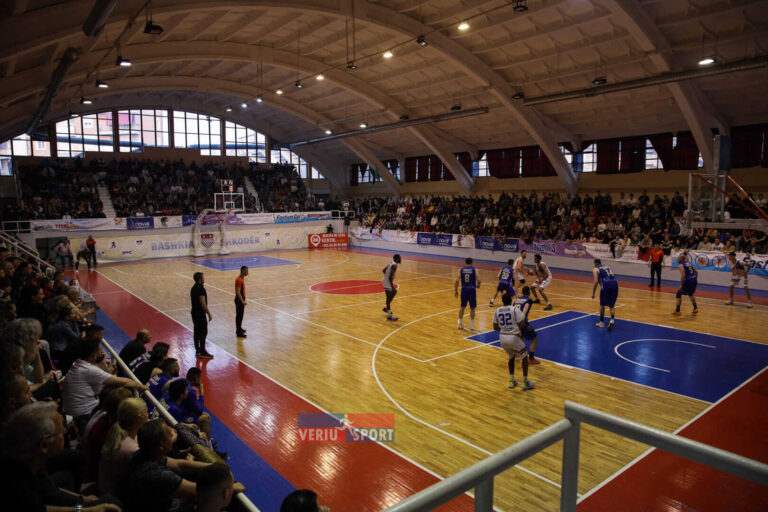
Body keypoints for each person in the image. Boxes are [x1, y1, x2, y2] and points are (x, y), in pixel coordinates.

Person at [1, 402, 122, 512]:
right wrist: (86, 509)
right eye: (62, 431)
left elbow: (50, 491)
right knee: (111, 503)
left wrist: (83, 499)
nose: (65, 431)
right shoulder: (16, 486)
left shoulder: (32, 460)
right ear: (44, 445)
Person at [116, 419, 210, 512]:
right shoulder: (158, 475)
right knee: (209, 499)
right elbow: (198, 492)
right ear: (162, 445)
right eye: (170, 434)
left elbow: (179, 465)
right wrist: (221, 475)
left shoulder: (145, 453)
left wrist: (211, 467)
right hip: (165, 508)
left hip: (140, 503)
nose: (173, 432)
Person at [62, 338, 147, 431]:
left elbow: (101, 374)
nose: (102, 353)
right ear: (94, 357)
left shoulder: (78, 363)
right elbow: (124, 381)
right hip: (85, 415)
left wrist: (103, 365)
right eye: (100, 350)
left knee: (110, 391)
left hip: (74, 410)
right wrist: (141, 386)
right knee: (119, 397)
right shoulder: (89, 370)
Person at [493, 293, 534, 390]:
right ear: (511, 300)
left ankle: (512, 380)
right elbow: (521, 323)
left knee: (511, 357)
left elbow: (495, 327)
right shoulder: (515, 309)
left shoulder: (497, 311)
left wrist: (505, 330)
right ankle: (525, 382)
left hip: (503, 338)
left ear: (503, 301)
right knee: (524, 357)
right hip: (513, 337)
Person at [513, 286, 541, 364]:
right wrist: (522, 322)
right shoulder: (528, 300)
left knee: (521, 337)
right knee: (534, 338)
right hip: (521, 323)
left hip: (514, 322)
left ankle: (517, 354)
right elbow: (524, 312)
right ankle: (531, 359)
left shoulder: (517, 300)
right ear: (529, 292)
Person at [191, 272, 213, 359]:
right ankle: (203, 352)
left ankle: (198, 350)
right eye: (203, 277)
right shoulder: (201, 289)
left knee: (196, 332)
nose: (204, 279)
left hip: (194, 313)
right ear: (200, 279)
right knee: (203, 333)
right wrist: (209, 313)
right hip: (200, 314)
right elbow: (203, 303)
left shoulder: (193, 288)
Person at [591, 259, 618, 330]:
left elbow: (596, 281)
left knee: (602, 305)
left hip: (606, 285)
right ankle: (612, 319)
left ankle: (602, 322)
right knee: (611, 305)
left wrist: (593, 293)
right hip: (615, 284)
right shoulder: (607, 266)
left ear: (595, 264)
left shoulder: (595, 269)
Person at [455, 257, 481, 330]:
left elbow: (456, 280)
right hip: (472, 290)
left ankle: (460, 324)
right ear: (472, 262)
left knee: (462, 307)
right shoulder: (475, 269)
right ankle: (471, 325)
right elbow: (479, 280)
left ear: (465, 262)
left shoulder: (461, 269)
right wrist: (478, 285)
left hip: (464, 290)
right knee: (472, 308)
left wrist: (456, 291)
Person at [382, 254, 401, 321]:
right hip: (387, 282)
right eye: (399, 258)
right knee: (390, 296)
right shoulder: (394, 265)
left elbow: (383, 270)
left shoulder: (391, 263)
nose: (400, 259)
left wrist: (386, 276)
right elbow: (390, 277)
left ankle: (387, 309)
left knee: (392, 294)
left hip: (386, 281)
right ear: (397, 259)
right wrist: (392, 286)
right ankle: (389, 316)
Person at [234, 266, 248, 338]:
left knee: (240, 316)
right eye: (246, 270)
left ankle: (239, 328)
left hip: (240, 300)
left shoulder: (241, 279)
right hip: (239, 301)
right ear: (243, 271)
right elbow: (238, 292)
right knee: (239, 316)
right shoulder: (239, 280)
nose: (247, 272)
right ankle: (238, 332)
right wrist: (242, 301)